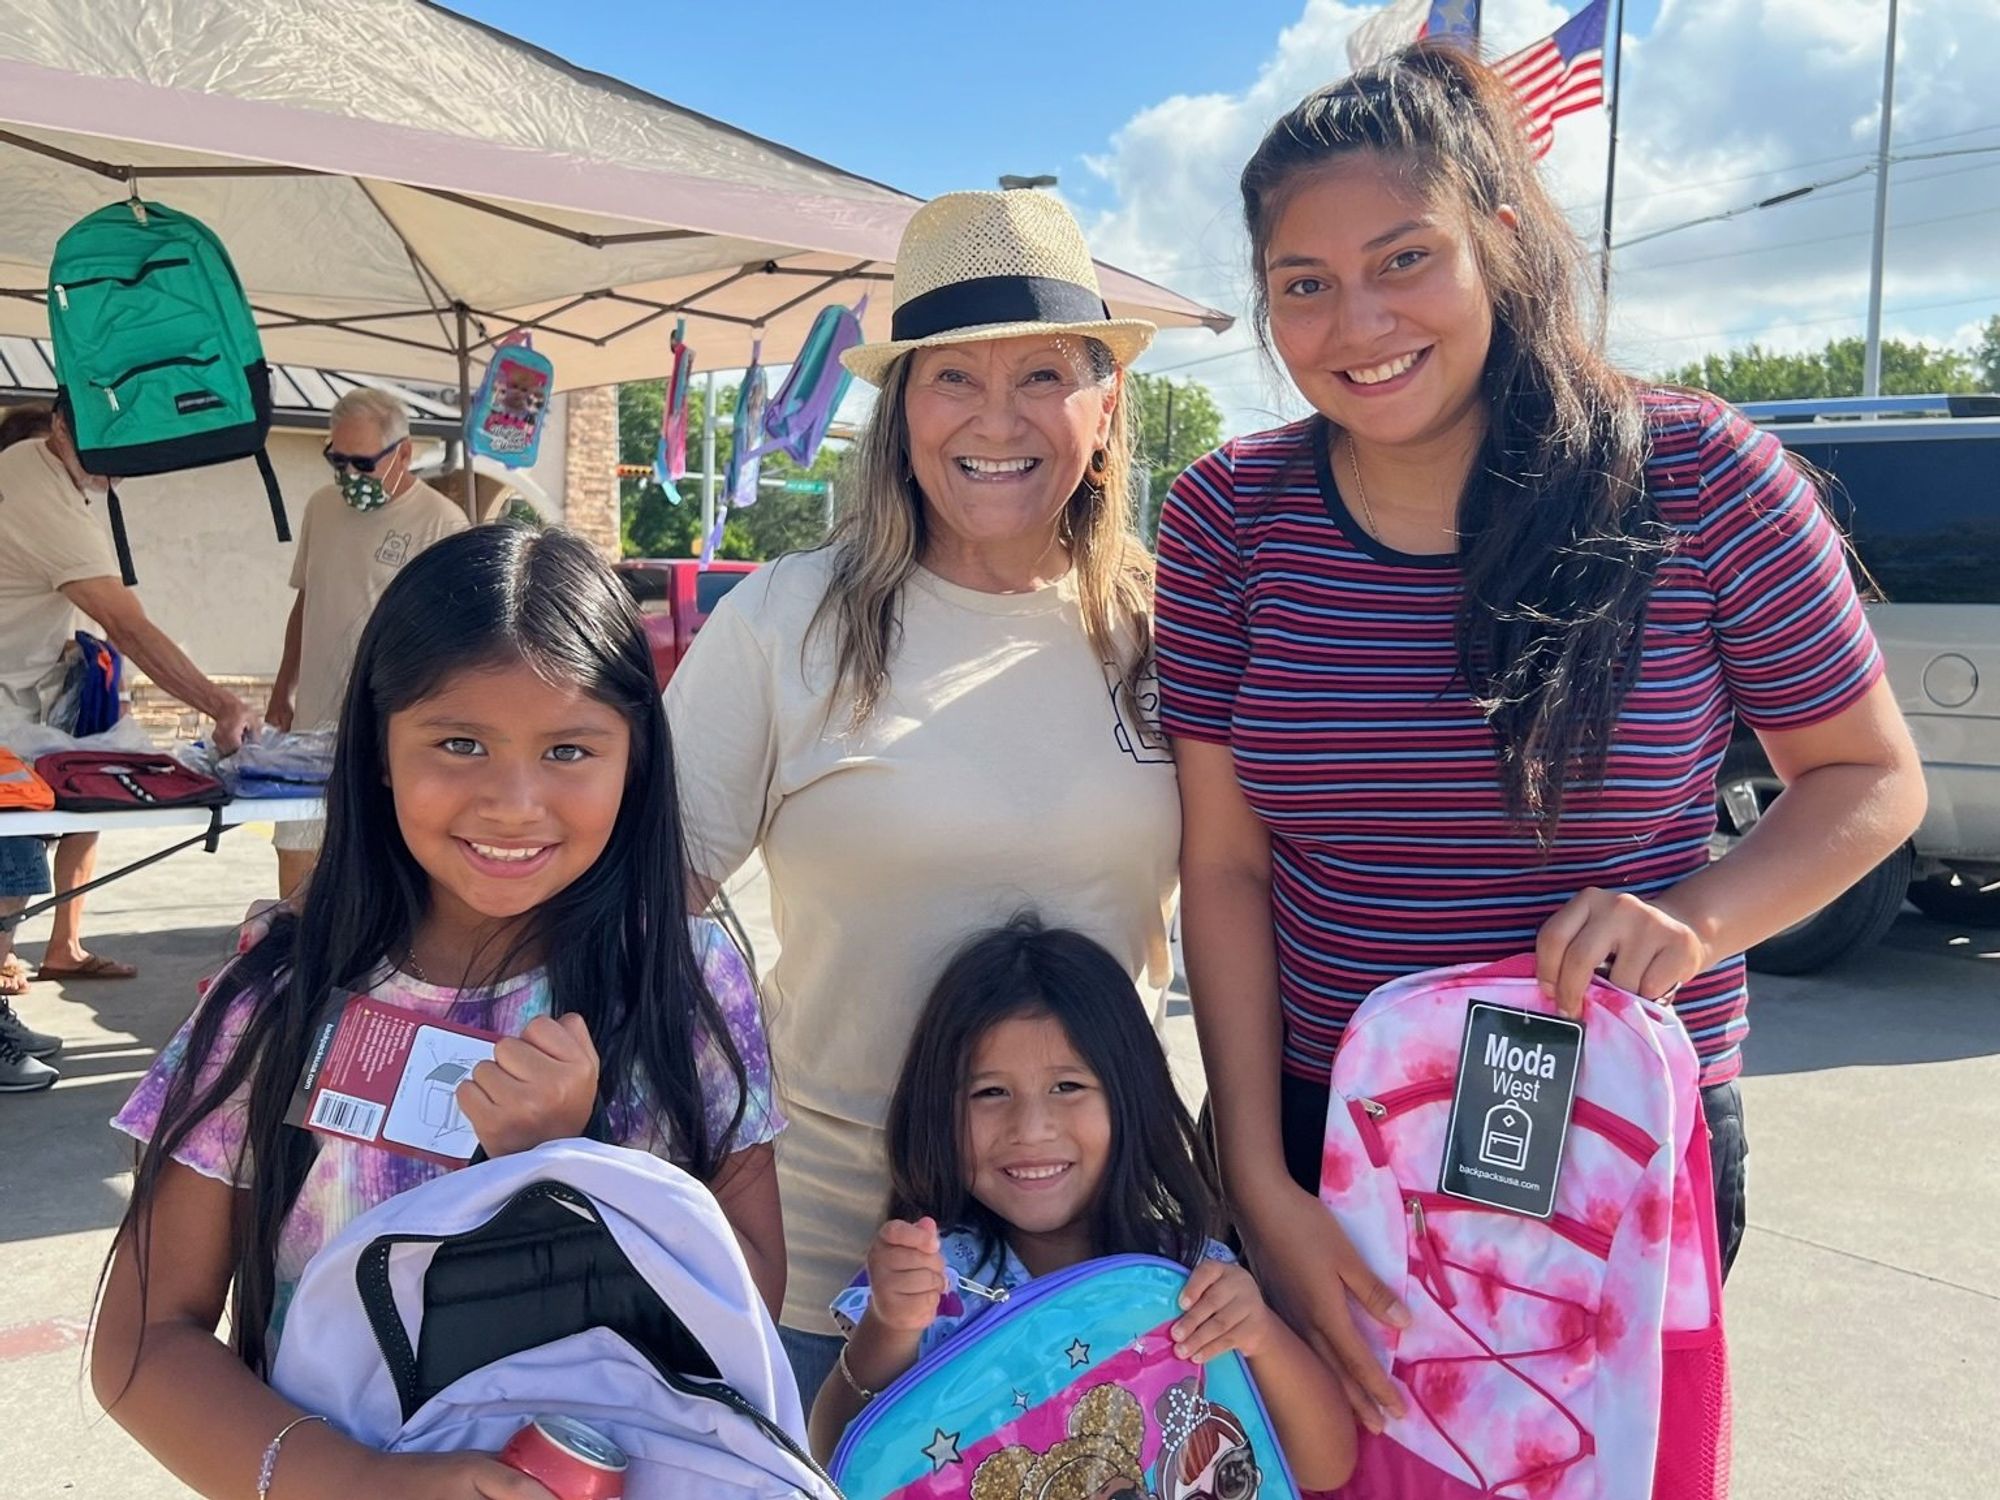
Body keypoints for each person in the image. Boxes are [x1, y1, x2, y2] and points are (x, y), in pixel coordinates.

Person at [1158, 46, 1929, 1434]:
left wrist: (1691, 919)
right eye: (1305, 285)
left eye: (1406, 259)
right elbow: (1225, 867)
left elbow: (1870, 782)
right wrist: (1262, 1184)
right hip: (1326, 1131)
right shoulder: (1227, 516)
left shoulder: (1699, 477)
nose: (1359, 321)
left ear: (1500, 245)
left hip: (1607, 1144)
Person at [91, 526, 784, 1499]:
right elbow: (143, 1339)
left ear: (634, 760)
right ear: (377, 748)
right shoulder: (281, 1004)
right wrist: (364, 1482)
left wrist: (572, 1169)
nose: (512, 800)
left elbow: (751, 1300)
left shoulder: (685, 982)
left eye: (569, 749)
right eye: (458, 744)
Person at [666, 190, 1181, 1402]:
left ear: (1105, 409)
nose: (995, 419)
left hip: (1097, 1268)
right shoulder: (787, 620)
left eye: (1045, 374)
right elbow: (645, 900)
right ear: (901, 414)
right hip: (822, 1272)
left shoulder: (1170, 631)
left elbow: (1244, 901)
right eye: (952, 377)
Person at [806, 915, 1355, 1490]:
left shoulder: (1189, 1275)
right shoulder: (933, 1281)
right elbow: (838, 1461)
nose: (1032, 1127)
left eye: (1068, 1086)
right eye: (989, 1092)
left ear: (1129, 1097)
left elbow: (1326, 1463)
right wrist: (889, 1327)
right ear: (937, 1112)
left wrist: (1259, 1333)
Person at [0, 401, 260, 1089]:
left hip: (18, 709)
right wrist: (221, 703)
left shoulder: (55, 478)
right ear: (60, 426)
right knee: (8, 867)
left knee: (13, 864)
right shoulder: (35, 487)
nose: (122, 465)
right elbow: (126, 621)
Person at [265, 387, 468, 898]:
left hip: (389, 722)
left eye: (361, 462)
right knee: (298, 850)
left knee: (382, 857)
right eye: (337, 460)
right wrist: (281, 691)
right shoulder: (321, 507)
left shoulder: (441, 524)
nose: (349, 476)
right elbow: (305, 604)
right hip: (314, 719)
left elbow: (455, 638)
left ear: (403, 453)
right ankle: (297, 965)